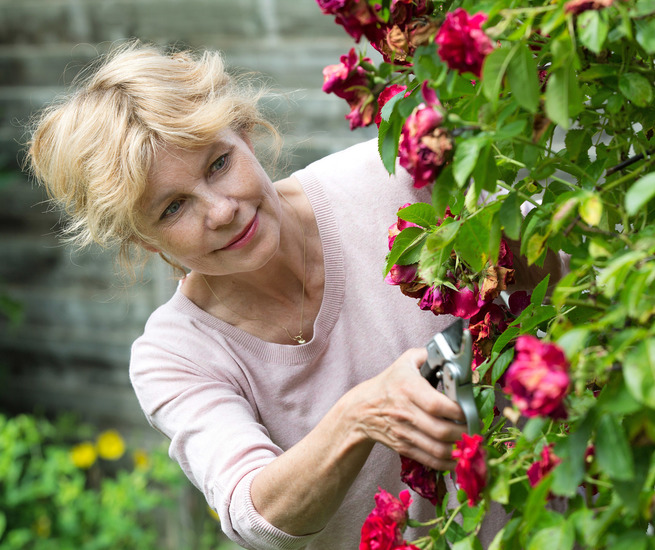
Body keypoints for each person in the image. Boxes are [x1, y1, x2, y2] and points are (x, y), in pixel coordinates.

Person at [27, 42, 540, 549]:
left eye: (218, 164)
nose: (221, 210)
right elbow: (255, 517)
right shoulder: (174, 355)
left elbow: (564, 270)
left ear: (245, 133)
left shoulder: (392, 181)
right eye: (173, 208)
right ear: (143, 239)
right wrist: (358, 415)